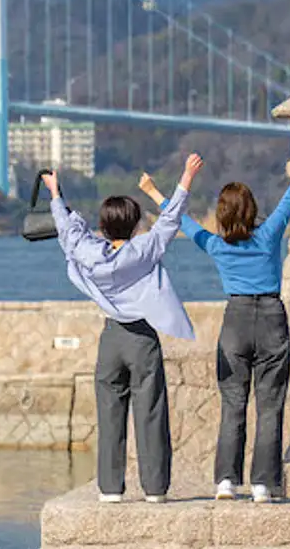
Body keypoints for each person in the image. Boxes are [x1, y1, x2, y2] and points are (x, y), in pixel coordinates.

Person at [165, 128, 290, 503]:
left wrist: (157, 193)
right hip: (272, 316)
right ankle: (262, 485)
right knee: (269, 405)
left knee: (232, 403)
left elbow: (181, 221)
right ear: (253, 209)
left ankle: (226, 481)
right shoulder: (270, 233)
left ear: (222, 216)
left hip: (236, 319)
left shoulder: (216, 245)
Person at [43, 154, 202, 503]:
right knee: (151, 412)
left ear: (102, 226)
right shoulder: (143, 250)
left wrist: (56, 193)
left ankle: (110, 489)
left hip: (111, 338)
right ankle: (155, 488)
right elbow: (170, 220)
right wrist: (186, 177)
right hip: (142, 337)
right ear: (134, 226)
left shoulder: (89, 253)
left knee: (110, 412)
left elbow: (68, 231)